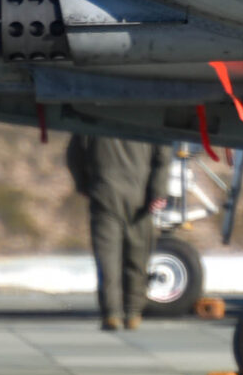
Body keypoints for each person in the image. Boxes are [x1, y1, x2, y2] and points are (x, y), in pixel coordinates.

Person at [64, 134, 167, 331]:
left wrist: (85, 185)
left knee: (107, 261)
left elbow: (74, 155)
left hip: (105, 196)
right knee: (137, 258)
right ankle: (133, 313)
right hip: (141, 200)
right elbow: (163, 158)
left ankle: (111, 315)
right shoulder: (149, 119)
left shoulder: (95, 114)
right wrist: (157, 193)